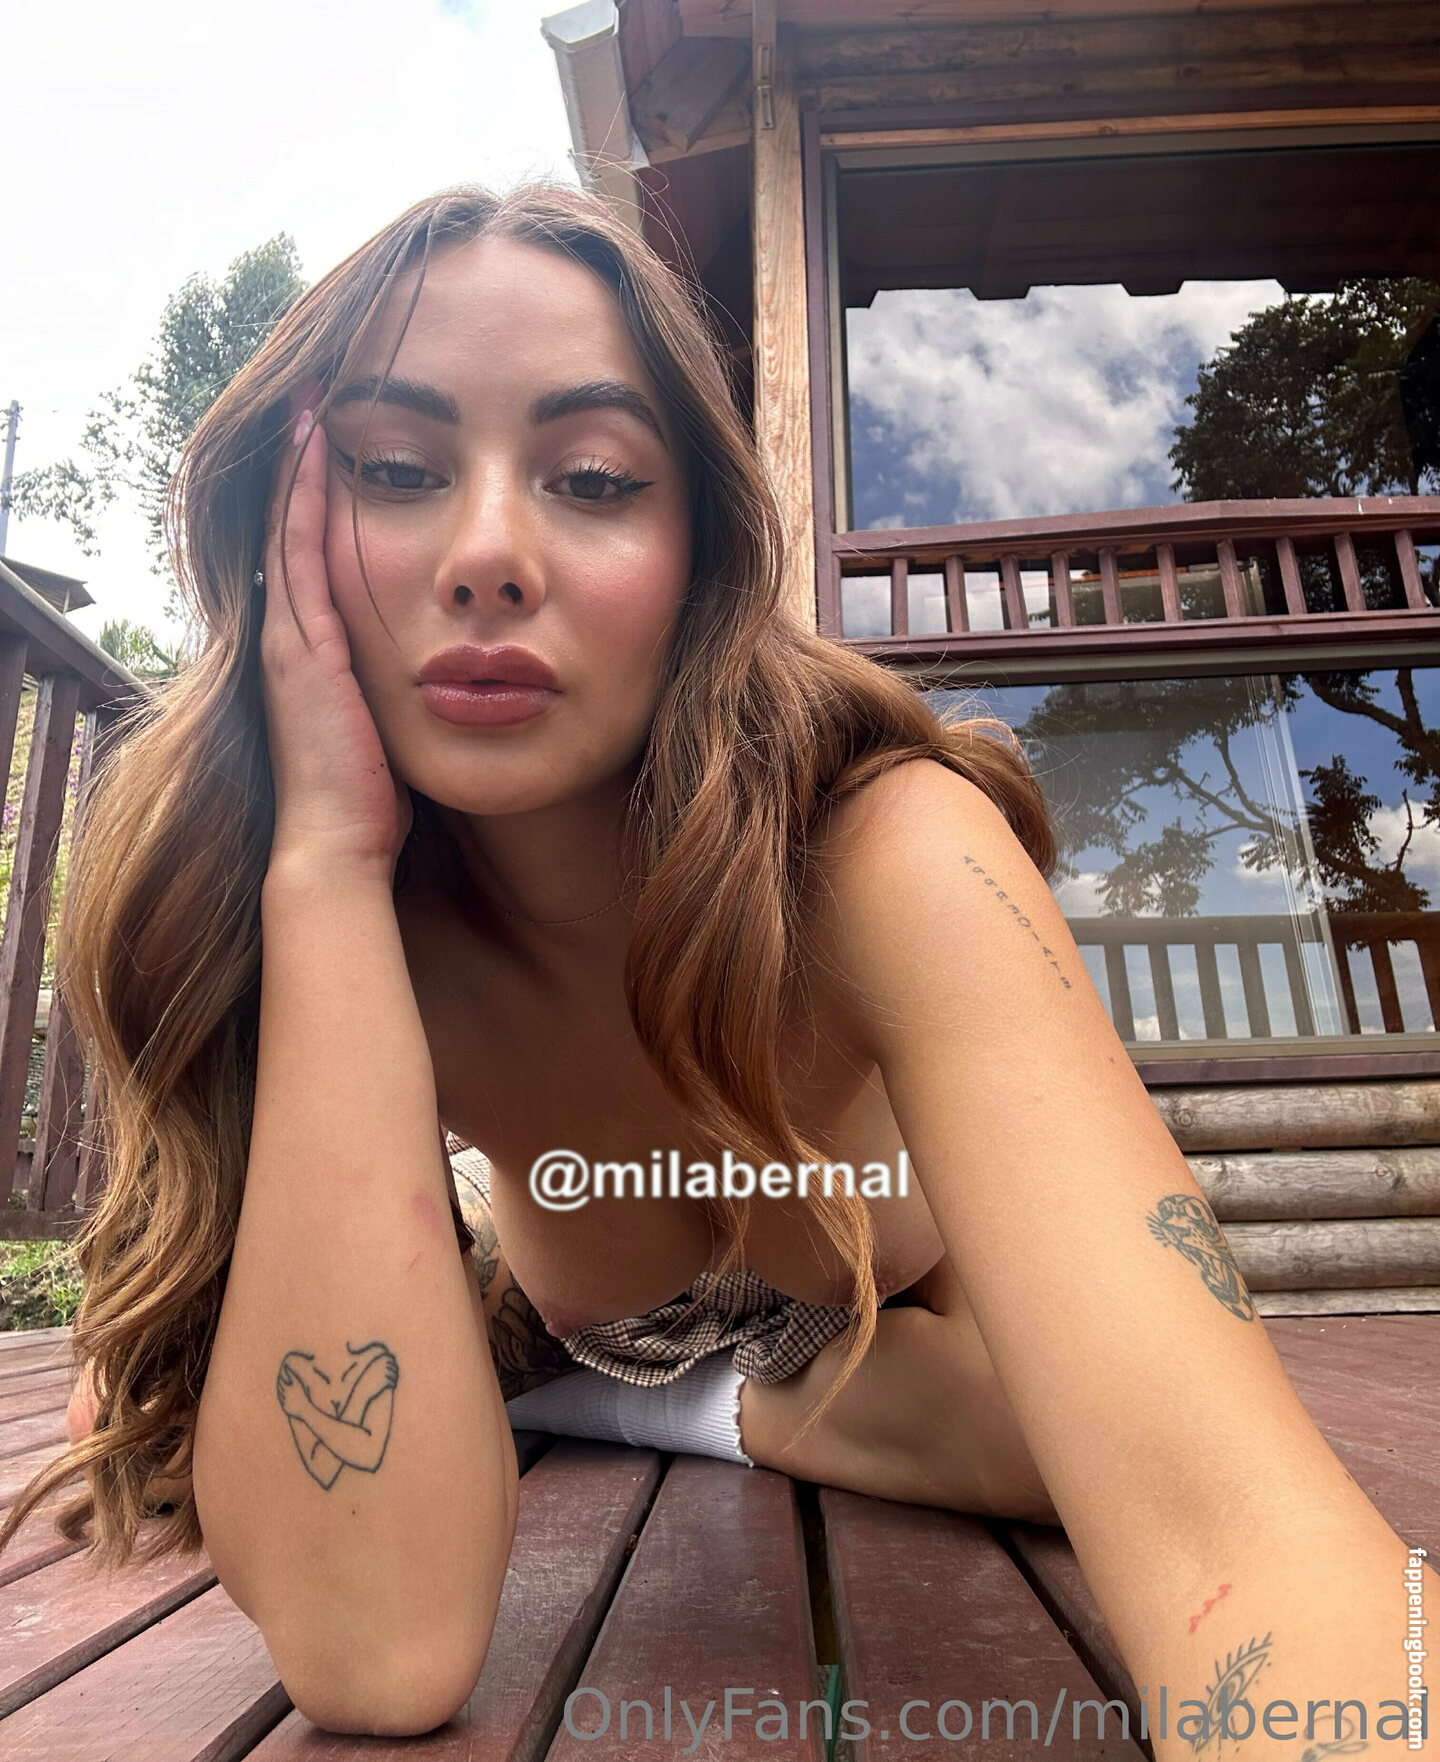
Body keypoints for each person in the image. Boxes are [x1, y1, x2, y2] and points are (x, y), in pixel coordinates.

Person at [1, 185, 1431, 1747]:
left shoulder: (881, 842)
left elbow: (1242, 1534)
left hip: (897, 1297)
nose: (488, 555)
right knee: (134, 1421)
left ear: (702, 548)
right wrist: (330, 871)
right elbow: (377, 1652)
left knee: (1061, 1436)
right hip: (566, 1304)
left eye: (593, 479)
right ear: (277, 534)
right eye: (397, 470)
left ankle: (656, 1410)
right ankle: (591, 1378)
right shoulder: (260, 889)